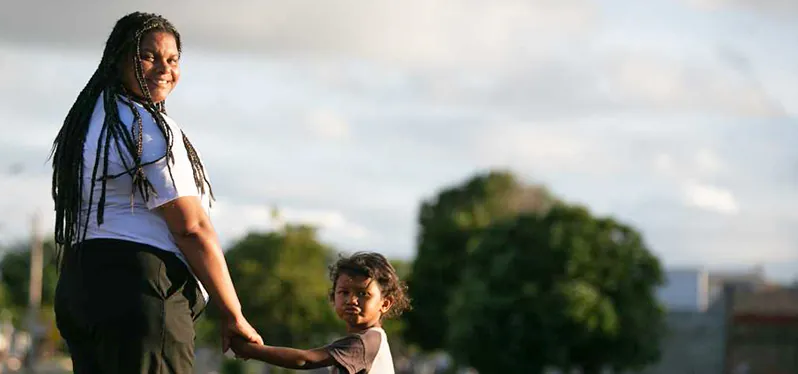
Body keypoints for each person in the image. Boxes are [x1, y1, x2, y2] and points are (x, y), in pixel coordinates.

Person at [50, 11, 262, 373]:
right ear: (118, 59)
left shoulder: (88, 121)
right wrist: (233, 313)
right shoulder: (146, 127)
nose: (164, 69)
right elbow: (191, 228)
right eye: (147, 56)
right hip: (140, 293)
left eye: (172, 59)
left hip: (80, 286)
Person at [231, 252, 411, 373]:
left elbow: (305, 359)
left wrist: (251, 350)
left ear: (385, 303)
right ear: (334, 298)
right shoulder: (367, 339)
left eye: (363, 294)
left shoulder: (366, 341)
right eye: (344, 293)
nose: (351, 300)